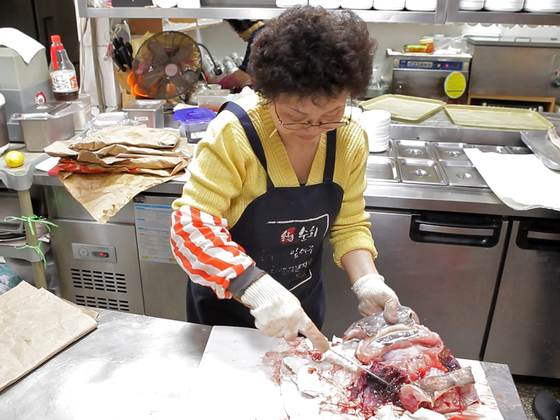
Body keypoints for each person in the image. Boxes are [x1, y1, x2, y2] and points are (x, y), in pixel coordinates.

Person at [170, 5, 407, 353]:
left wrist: (368, 280)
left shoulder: (349, 138)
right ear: (268, 96)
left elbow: (349, 223)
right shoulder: (234, 134)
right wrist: (255, 287)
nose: (314, 130)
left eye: (330, 114)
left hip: (303, 309)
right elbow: (190, 228)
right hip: (227, 313)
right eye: (296, 117)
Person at [218, 19, 265, 90]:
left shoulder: (257, 36)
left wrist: (221, 84)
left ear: (243, 24)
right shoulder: (271, 30)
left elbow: (245, 76)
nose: (239, 36)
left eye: (237, 31)